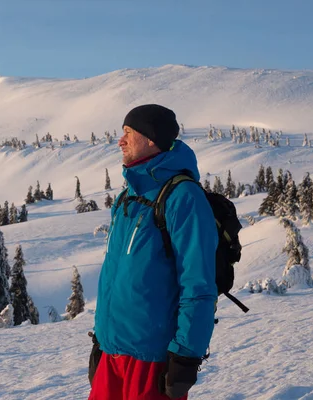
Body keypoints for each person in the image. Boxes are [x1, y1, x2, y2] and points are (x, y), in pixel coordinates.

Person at [89, 104, 218, 400]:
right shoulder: (128, 196)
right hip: (112, 354)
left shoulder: (183, 196)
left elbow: (198, 285)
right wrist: (101, 339)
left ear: (151, 139)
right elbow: (116, 276)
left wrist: (186, 356)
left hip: (152, 358)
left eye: (128, 133)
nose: (120, 141)